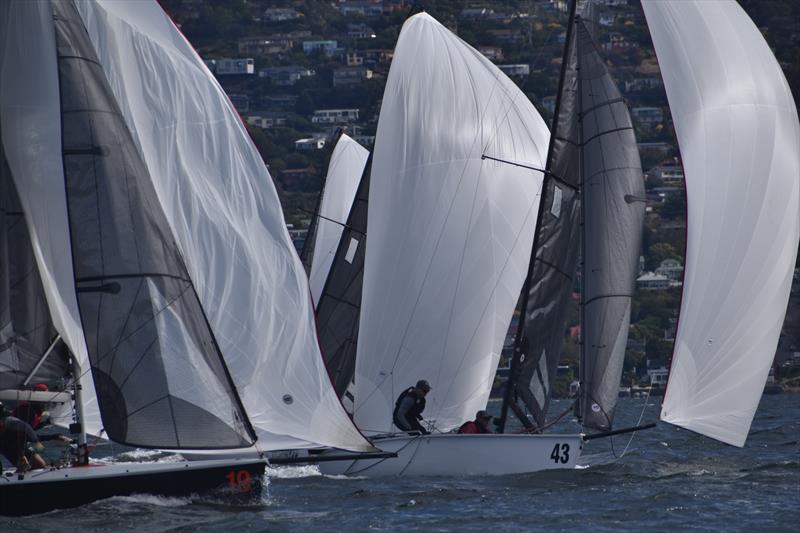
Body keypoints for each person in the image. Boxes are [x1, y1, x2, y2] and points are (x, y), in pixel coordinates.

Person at [0, 402, 47, 472]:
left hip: (17, 448)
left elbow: (27, 432)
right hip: (12, 449)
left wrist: (56, 436)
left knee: (40, 465)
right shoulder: (9, 422)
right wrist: (21, 455)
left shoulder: (10, 421)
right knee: (38, 465)